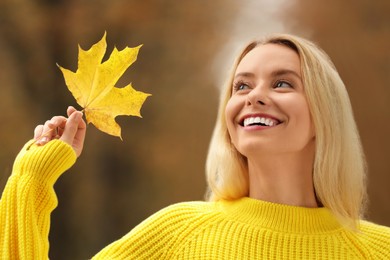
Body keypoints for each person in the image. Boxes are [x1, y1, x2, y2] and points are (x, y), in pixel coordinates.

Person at [1, 33, 389, 259]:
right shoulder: (176, 234)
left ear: (325, 114)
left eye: (282, 83)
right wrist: (30, 181)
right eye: (241, 85)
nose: (254, 96)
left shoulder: (378, 250)